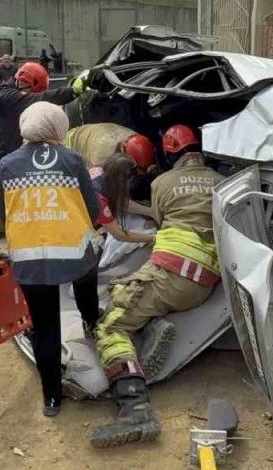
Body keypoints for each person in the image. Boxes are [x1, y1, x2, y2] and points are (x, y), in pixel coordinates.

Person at [90, 124, 223, 448]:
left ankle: (135, 408)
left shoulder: (162, 183)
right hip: (204, 281)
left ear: (168, 155)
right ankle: (151, 326)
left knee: (109, 325)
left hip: (171, 273)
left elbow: (159, 222)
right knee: (124, 289)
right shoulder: (222, 182)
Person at [0, 102, 101, 418]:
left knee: (45, 326)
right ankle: (90, 319)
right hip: (72, 252)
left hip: (29, 256)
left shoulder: (7, 164)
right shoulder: (73, 160)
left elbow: (3, 214)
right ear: (59, 126)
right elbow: (93, 208)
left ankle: (52, 398)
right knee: (88, 271)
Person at [0, 62, 88, 264]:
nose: (34, 95)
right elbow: (39, 100)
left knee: (0, 209)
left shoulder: (10, 93)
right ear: (28, 83)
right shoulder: (7, 96)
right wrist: (73, 91)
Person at [65, 123, 158, 218]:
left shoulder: (137, 142)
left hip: (94, 136)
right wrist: (150, 212)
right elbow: (116, 198)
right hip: (71, 145)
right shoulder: (103, 157)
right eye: (136, 170)